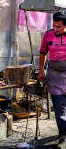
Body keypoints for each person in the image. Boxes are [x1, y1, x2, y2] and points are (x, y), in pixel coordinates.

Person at [38, 11, 66, 149]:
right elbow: (43, 53)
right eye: (54, 25)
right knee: (59, 108)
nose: (56, 29)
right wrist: (41, 71)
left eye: (59, 26)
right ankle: (63, 136)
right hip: (54, 75)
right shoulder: (48, 34)